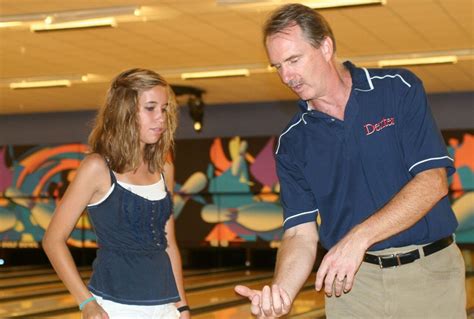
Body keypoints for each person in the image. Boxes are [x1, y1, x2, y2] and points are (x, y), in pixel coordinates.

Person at [235, 3, 466, 318]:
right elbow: (299, 233)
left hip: (429, 274)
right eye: (277, 66)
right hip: (353, 287)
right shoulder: (292, 143)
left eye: (293, 60)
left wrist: (359, 237)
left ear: (326, 46)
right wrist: (282, 294)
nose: (286, 76)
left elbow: (432, 182)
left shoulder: (397, 90)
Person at [43, 68, 191, 319]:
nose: (161, 118)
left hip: (165, 306)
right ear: (125, 112)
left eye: (164, 109)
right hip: (114, 307)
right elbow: (52, 240)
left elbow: (168, 244)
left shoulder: (164, 167)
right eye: (150, 108)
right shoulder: (98, 168)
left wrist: (181, 305)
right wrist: (86, 303)